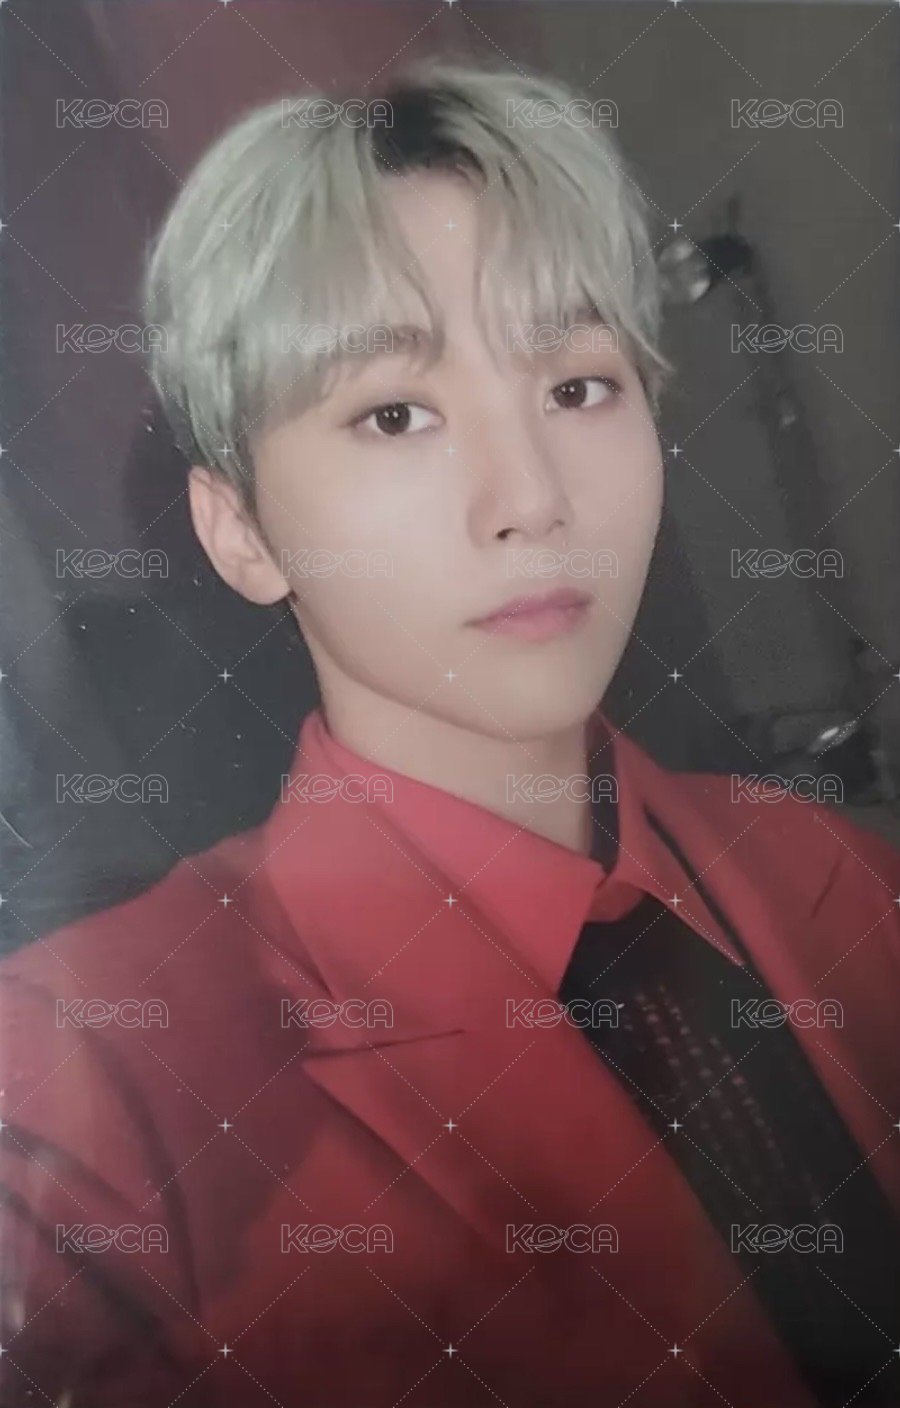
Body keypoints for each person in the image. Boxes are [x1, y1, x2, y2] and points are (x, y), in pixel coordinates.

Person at [2, 58, 900, 1408]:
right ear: (240, 530)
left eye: (579, 386)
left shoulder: (828, 870)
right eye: (395, 413)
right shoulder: (82, 1084)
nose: (530, 496)